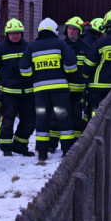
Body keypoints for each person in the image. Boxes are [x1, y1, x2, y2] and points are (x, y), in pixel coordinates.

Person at [20, 18, 78, 162]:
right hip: (60, 92)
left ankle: (42, 153)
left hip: (40, 93)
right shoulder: (60, 44)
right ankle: (67, 150)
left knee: (42, 119)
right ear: (54, 31)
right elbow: (71, 65)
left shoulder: (31, 47)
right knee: (63, 118)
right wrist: (64, 72)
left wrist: (35, 76)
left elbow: (24, 70)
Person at [0, 19, 35, 156]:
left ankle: (20, 146)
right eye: (12, 33)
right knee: (8, 120)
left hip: (28, 92)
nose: (15, 36)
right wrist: (1, 80)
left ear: (22, 33)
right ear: (7, 34)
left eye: (18, 33)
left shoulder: (28, 47)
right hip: (9, 93)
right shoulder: (1, 48)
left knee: (29, 120)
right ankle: (6, 148)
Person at [62, 16, 92, 137]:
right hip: (63, 90)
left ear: (79, 31)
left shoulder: (86, 48)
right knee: (59, 117)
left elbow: (90, 68)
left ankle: (76, 145)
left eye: (75, 29)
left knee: (77, 118)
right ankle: (54, 144)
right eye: (69, 28)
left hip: (80, 91)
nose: (72, 31)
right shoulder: (61, 46)